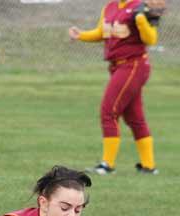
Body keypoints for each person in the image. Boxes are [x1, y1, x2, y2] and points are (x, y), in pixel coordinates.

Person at [69, 0, 165, 175]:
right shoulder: (110, 7)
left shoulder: (140, 6)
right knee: (135, 117)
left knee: (109, 111)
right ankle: (149, 166)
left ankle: (107, 164)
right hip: (118, 66)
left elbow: (151, 39)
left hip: (133, 64)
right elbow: (102, 32)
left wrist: (142, 20)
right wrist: (80, 35)